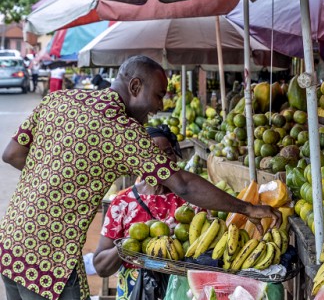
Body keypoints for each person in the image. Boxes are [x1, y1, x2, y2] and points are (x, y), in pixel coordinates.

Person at [0, 55, 281, 300]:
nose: (159, 106)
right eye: (159, 95)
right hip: (50, 258)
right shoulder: (122, 130)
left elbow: (12, 153)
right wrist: (247, 207)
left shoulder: (60, 99)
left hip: (11, 242)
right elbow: (182, 184)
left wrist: (58, 178)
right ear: (135, 87)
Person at [93, 124, 185, 299]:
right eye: (152, 154)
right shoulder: (122, 203)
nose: (161, 161)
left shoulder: (189, 202)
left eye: (167, 153)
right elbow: (101, 266)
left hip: (177, 289)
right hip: (134, 290)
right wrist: (128, 244)